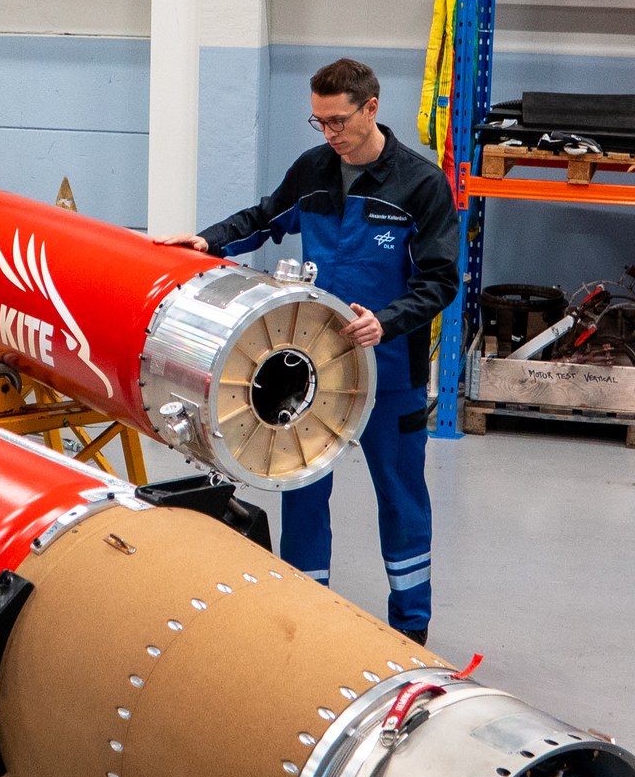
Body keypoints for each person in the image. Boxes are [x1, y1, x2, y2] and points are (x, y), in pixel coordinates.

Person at [156, 58, 457, 646]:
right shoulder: (315, 170)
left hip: (389, 371)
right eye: (318, 122)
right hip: (309, 374)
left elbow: (441, 280)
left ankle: (410, 632)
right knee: (304, 494)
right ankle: (303, 629)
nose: (329, 134)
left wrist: (387, 322)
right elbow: (264, 217)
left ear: (372, 108)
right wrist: (207, 240)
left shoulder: (420, 185)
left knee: (401, 500)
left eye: (339, 121)